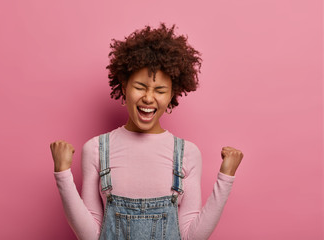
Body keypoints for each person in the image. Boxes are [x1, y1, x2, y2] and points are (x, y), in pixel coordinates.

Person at [50, 23, 243, 240]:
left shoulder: (187, 153)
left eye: (160, 90)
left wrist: (225, 177)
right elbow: (90, 236)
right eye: (140, 87)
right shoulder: (96, 149)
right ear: (124, 87)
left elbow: (191, 237)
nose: (149, 98)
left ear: (172, 95)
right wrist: (63, 174)